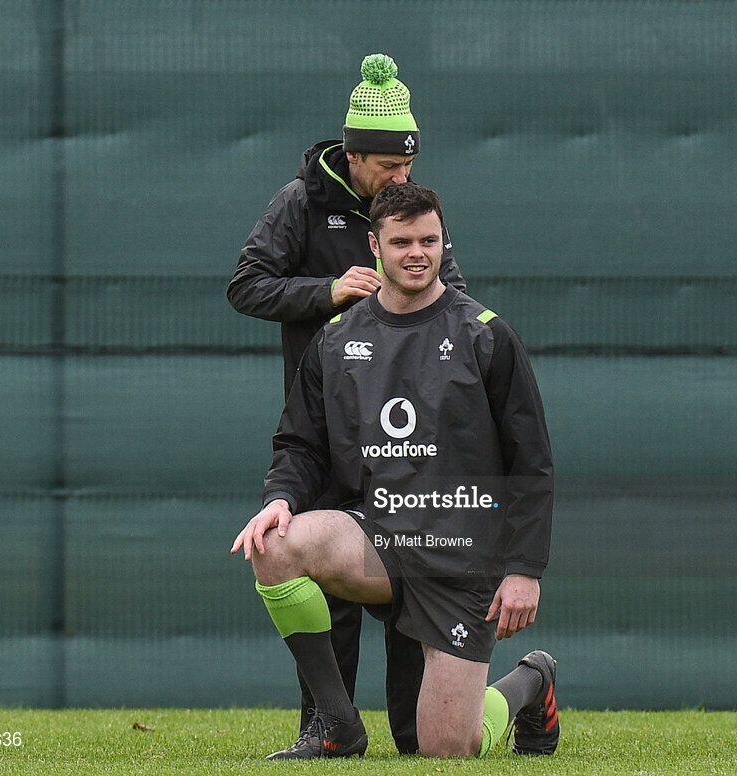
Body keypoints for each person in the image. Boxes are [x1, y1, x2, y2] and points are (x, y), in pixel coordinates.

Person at [231, 183, 558, 759]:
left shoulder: (485, 334)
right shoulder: (336, 338)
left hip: (462, 554)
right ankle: (337, 722)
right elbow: (300, 443)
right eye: (402, 241)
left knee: (439, 748)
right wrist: (280, 497)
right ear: (373, 245)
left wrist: (524, 570)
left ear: (442, 243)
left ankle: (531, 682)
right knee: (275, 545)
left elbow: (529, 460)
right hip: (380, 539)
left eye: (429, 240)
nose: (417, 253)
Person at [226, 54, 466, 754]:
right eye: (388, 167)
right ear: (353, 154)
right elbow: (246, 285)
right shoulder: (300, 203)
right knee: (321, 586)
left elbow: (460, 304)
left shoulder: (412, 218)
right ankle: (328, 730)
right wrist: (325, 292)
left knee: (418, 706)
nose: (401, 179)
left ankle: (495, 697)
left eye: (408, 167)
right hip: (322, 431)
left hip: (408, 440)